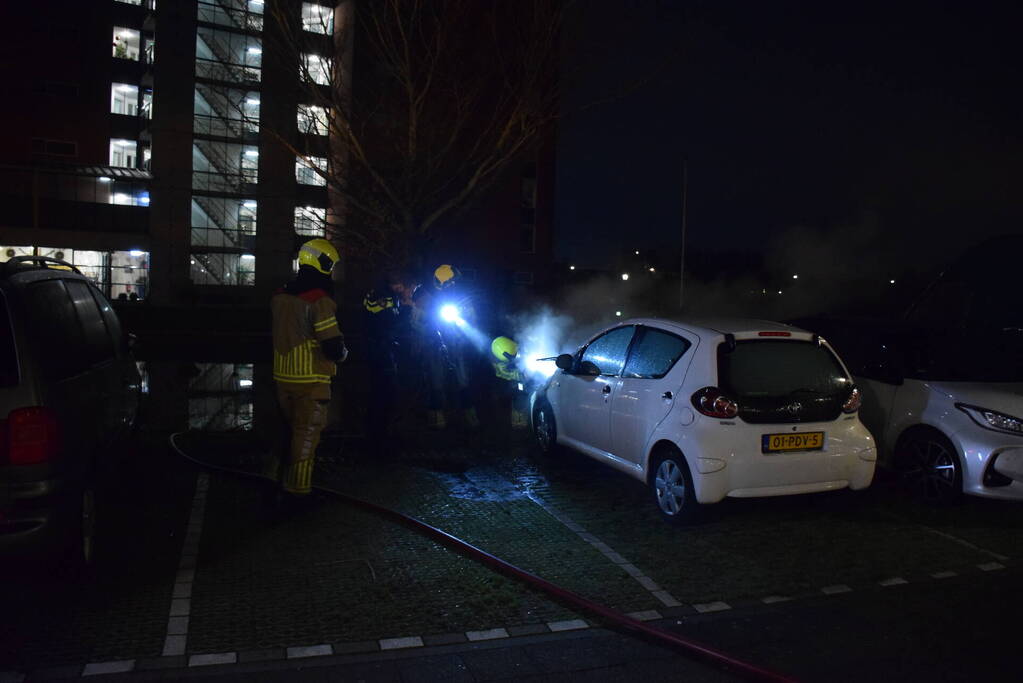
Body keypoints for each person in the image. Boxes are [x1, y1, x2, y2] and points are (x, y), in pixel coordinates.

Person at [266, 238, 348, 503]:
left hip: (282, 377)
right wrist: (343, 353)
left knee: (284, 431)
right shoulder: (319, 301)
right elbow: (332, 345)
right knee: (307, 434)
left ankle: (270, 479)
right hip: (311, 379)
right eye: (330, 265)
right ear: (323, 264)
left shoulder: (279, 296)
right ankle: (298, 492)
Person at [410, 264, 480, 430]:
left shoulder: (463, 298)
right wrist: (428, 329)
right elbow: (414, 322)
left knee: (463, 380)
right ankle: (436, 415)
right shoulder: (425, 297)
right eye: (451, 282)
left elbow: (473, 319)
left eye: (455, 282)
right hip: (434, 345)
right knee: (436, 381)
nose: (454, 285)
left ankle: (469, 415)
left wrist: (465, 332)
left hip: (457, 344)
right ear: (441, 283)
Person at [361, 270, 407, 456]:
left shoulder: (377, 294)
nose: (403, 289)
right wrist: (407, 311)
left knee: (379, 395)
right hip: (381, 352)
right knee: (384, 395)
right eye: (401, 285)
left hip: (377, 350)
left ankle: (376, 437)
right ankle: (379, 441)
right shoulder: (384, 298)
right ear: (394, 284)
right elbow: (389, 323)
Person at [490, 336, 529, 429]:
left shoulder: (509, 345)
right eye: (514, 355)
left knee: (523, 394)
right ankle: (518, 422)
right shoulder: (500, 366)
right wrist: (523, 374)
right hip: (512, 383)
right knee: (520, 396)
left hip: (521, 375)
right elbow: (511, 375)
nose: (516, 354)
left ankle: (522, 418)